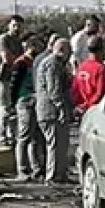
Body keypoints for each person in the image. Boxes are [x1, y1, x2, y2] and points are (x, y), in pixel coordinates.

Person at [35, 38, 74, 185]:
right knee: (55, 144)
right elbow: (54, 90)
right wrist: (61, 107)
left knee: (61, 144)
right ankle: (52, 176)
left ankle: (60, 174)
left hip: (51, 110)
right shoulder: (53, 64)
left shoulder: (57, 64)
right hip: (50, 111)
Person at [9, 37, 44, 181]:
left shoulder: (36, 62)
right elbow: (13, 85)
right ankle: (22, 169)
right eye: (36, 47)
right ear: (30, 47)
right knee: (24, 137)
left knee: (36, 137)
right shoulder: (21, 63)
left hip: (36, 101)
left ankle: (36, 168)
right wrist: (13, 103)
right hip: (25, 102)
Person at [0, 15, 26, 146]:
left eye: (19, 26)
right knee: (3, 109)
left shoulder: (18, 41)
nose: (16, 28)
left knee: (12, 110)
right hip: (2, 78)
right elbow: (7, 58)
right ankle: (1, 137)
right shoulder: (3, 39)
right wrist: (19, 59)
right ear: (9, 25)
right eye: (14, 25)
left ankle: (10, 136)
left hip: (14, 78)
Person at [72, 36, 105, 114]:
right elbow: (101, 93)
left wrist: (79, 106)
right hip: (95, 111)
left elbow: (75, 90)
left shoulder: (82, 66)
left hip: (81, 110)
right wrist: (87, 106)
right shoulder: (101, 68)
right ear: (102, 49)